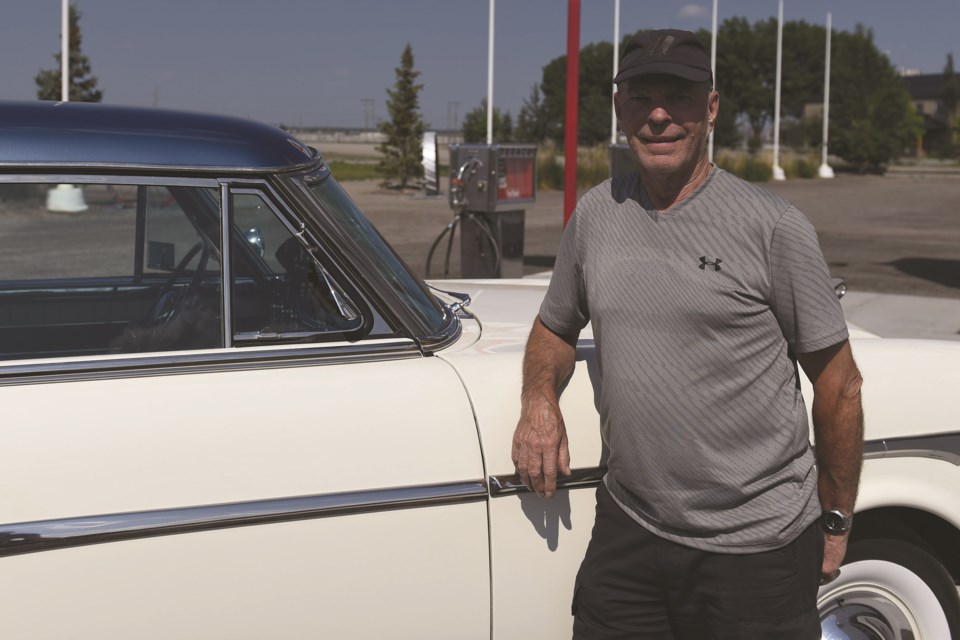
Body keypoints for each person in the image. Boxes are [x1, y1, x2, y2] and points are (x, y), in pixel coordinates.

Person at [511, 29, 864, 639]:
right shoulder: (596, 216)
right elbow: (553, 326)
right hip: (630, 528)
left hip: (756, 548)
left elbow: (840, 386)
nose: (657, 114)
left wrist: (834, 522)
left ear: (710, 108)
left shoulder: (773, 228)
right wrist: (539, 398)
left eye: (677, 95)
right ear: (619, 110)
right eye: (640, 96)